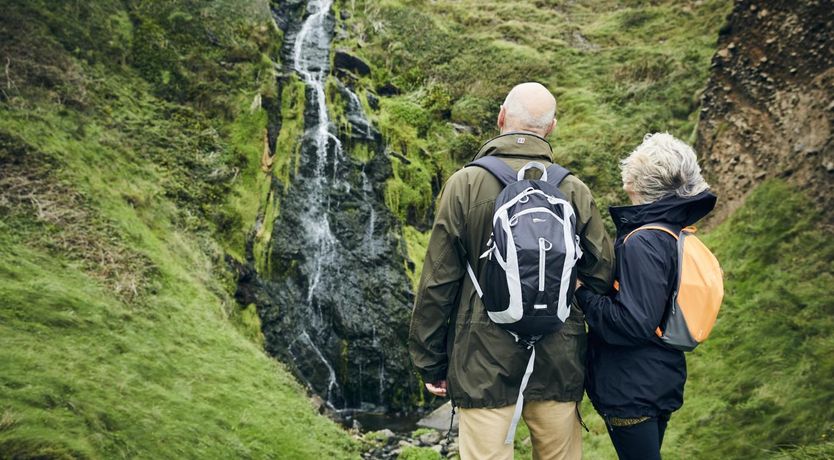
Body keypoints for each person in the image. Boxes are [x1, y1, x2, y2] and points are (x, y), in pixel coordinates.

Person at [409, 82, 614, 460]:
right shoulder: (573, 188)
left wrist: (431, 361)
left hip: (481, 361)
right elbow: (601, 273)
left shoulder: (464, 185)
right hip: (558, 359)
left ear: (501, 117)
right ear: (551, 127)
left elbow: (438, 282)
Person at [574, 133, 717, 460]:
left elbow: (633, 323)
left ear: (637, 181)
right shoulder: (669, 231)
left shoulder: (643, 241)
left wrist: (582, 293)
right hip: (656, 376)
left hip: (632, 387)